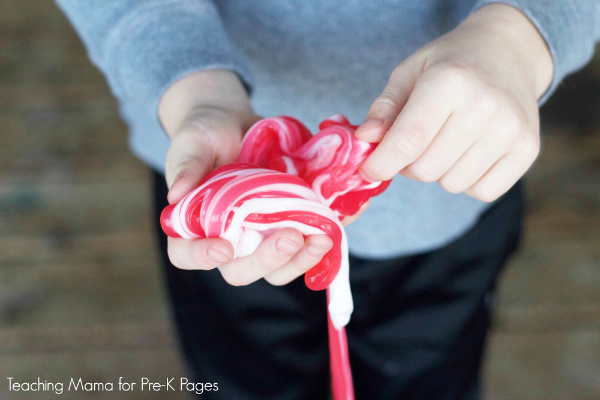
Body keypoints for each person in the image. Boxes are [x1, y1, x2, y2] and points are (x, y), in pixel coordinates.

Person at [56, 1, 600, 399]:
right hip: (222, 193)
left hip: (446, 205)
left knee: (428, 377)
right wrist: (193, 89)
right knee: (243, 378)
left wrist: (519, 36)